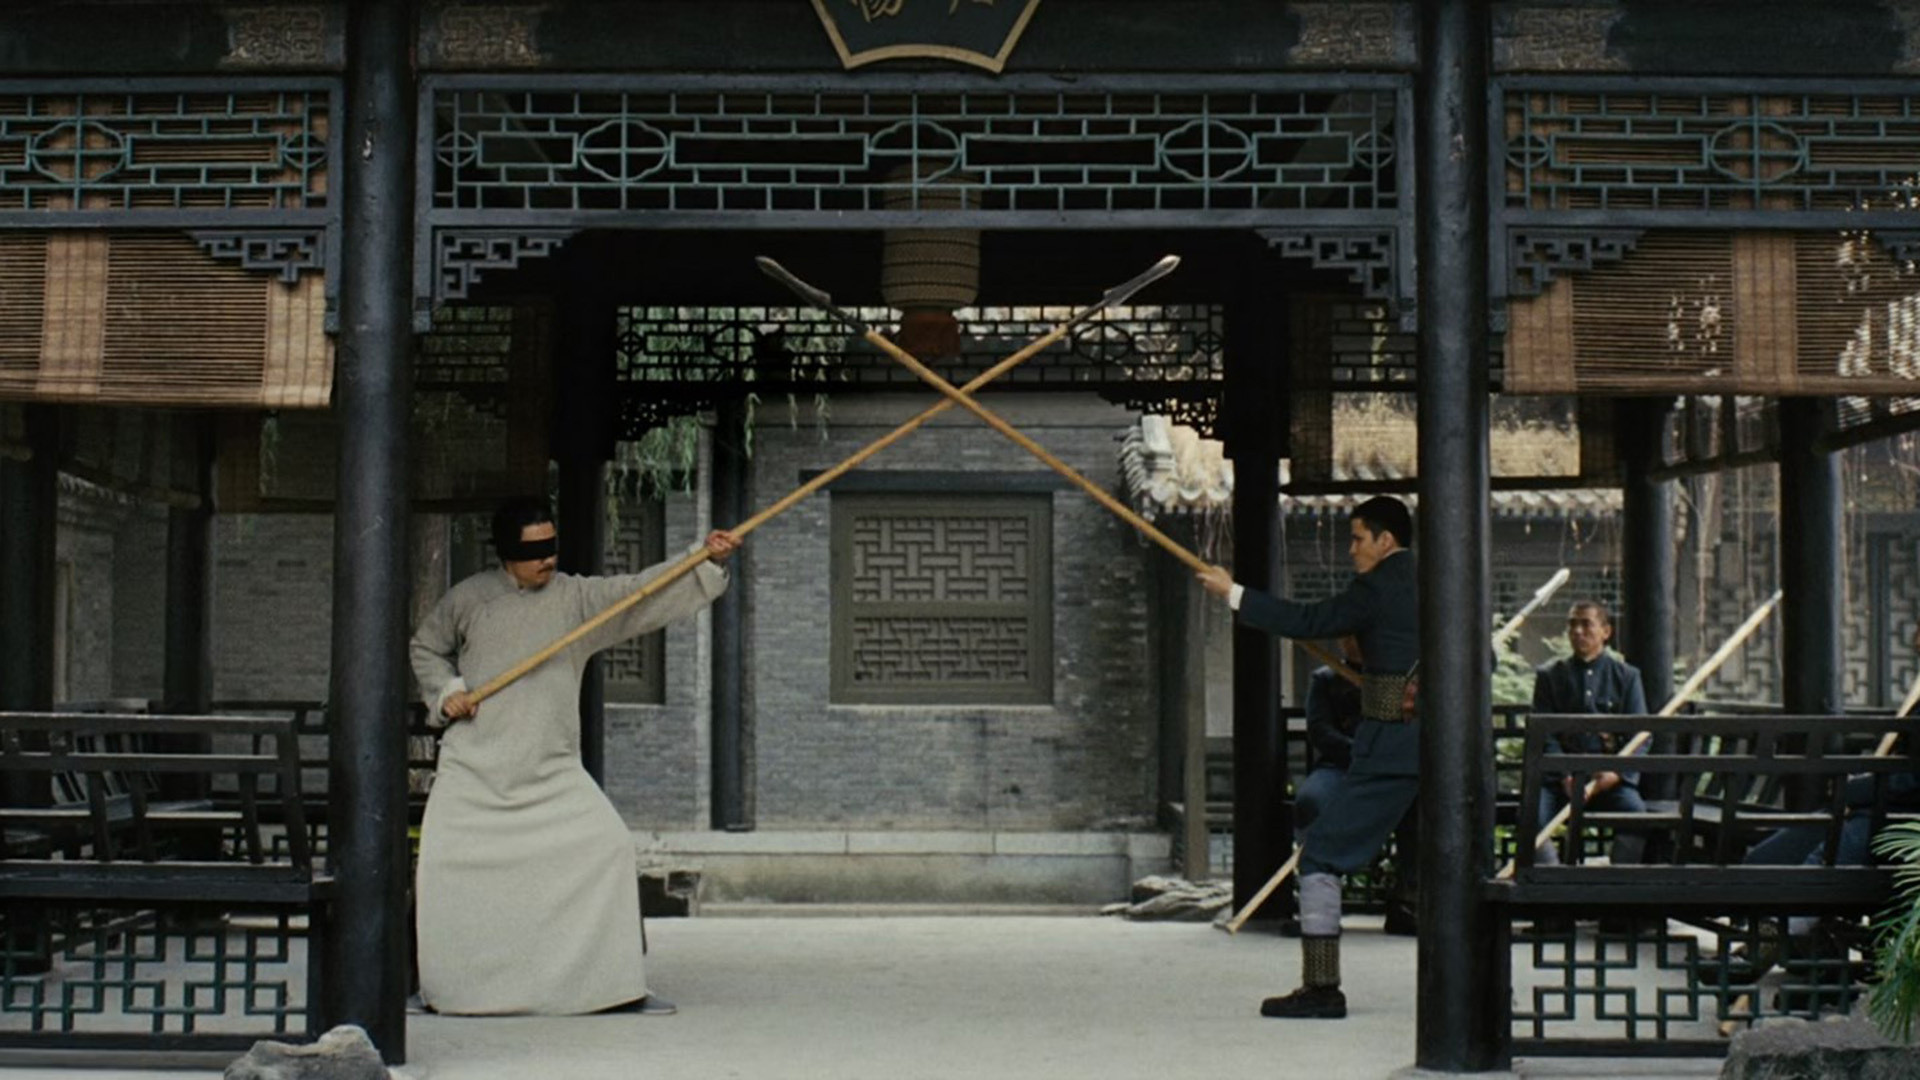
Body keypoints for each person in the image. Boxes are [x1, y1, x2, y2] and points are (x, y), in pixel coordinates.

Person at [409, 497, 741, 1016]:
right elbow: (425, 648)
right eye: (533, 551)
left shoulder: (576, 599)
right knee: (444, 862)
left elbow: (639, 592)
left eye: (551, 547)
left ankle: (610, 987)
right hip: (475, 769)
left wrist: (704, 559)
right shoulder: (469, 598)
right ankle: (451, 990)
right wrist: (447, 691)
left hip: (551, 769)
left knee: (609, 849)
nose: (546, 559)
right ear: (506, 553)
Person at [1199, 495, 1418, 1020]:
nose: (1351, 550)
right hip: (1449, 749)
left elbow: (1310, 618)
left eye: (1358, 538)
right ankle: (1482, 992)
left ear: (1386, 541)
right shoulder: (1442, 582)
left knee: (1319, 856)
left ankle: (1322, 988)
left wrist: (1234, 593)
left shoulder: (1379, 586)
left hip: (1393, 749)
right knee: (1462, 864)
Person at [1286, 637, 1417, 938]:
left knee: (1416, 802)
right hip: (1340, 766)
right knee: (1312, 801)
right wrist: (1358, 754)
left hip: (1390, 767)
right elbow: (1320, 730)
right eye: (1347, 637)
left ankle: (1409, 898)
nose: (1353, 643)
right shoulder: (1325, 679)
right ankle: (1318, 902)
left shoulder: (1401, 679)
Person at [1529, 601, 1651, 866]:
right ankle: (1550, 883)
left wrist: (1615, 774)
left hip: (1607, 780)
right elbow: (1544, 734)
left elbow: (1640, 735)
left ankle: (1616, 884)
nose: (1577, 631)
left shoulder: (1627, 676)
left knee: (1637, 817)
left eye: (1586, 624)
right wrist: (1564, 774)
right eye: (1573, 624)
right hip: (1560, 781)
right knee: (1532, 818)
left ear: (1606, 631)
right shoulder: (1550, 676)